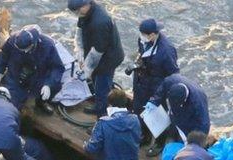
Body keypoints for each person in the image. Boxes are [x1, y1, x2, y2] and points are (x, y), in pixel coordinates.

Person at [68, 0, 124, 117]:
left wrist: (86, 70)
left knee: (102, 88)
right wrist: (80, 51)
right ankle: (98, 105)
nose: (76, 14)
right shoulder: (85, 13)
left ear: (84, 6)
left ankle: (102, 117)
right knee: (97, 82)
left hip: (108, 59)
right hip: (96, 53)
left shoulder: (100, 22)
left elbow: (98, 51)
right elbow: (80, 31)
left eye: (77, 11)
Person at [0, 25, 64, 113]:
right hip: (16, 76)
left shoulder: (48, 46)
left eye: (24, 49)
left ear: (33, 44)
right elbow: (4, 55)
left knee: (55, 85)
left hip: (38, 76)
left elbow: (57, 67)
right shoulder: (12, 39)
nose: (22, 51)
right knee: (12, 105)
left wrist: (49, 84)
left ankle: (41, 103)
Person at [129, 18, 179, 146]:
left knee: (157, 115)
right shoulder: (142, 40)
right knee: (139, 110)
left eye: (144, 35)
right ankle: (144, 136)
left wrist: (163, 92)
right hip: (141, 83)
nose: (141, 37)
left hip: (156, 87)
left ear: (152, 35)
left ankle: (159, 142)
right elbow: (141, 54)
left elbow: (173, 74)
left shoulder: (166, 50)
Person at [145, 73, 210, 149]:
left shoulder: (198, 101)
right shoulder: (171, 81)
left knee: (190, 133)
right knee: (175, 125)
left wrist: (199, 142)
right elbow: (162, 90)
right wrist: (154, 101)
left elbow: (204, 123)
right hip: (176, 113)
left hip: (189, 117)